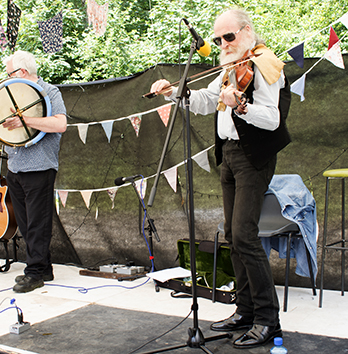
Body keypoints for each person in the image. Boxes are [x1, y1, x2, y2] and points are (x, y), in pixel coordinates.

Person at [150, 8, 291, 349]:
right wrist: (174, 92)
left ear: (246, 32)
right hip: (227, 155)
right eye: (218, 39)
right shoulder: (230, 68)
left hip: (252, 157)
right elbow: (204, 102)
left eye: (228, 37)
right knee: (233, 234)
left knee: (244, 235)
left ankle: (268, 320)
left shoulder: (265, 64)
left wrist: (241, 107)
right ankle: (244, 312)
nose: (222, 43)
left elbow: (272, 120)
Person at [1, 50, 67, 293]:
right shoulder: (12, 95)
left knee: (38, 223)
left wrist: (25, 120)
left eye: (9, 74)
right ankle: (44, 268)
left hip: (39, 165)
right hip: (16, 165)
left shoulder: (49, 91)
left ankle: (35, 272)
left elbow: (60, 123)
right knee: (27, 223)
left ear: (22, 72)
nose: (6, 79)